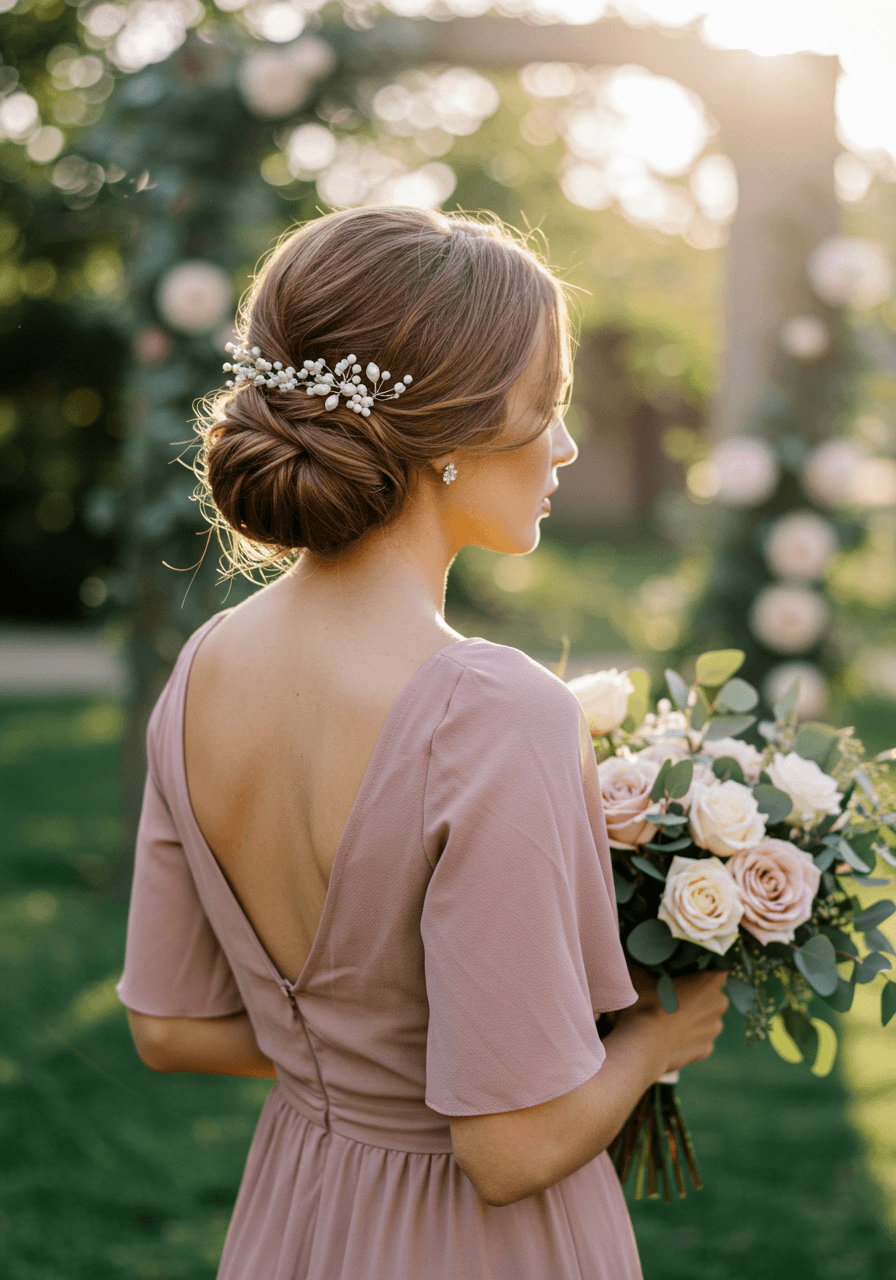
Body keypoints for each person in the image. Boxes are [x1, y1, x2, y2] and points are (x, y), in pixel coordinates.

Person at [116, 206, 728, 1279]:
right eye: (546, 405)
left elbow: (167, 1029)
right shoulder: (496, 710)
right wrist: (653, 1043)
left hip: (295, 1218)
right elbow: (509, 1145)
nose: (565, 444)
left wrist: (357, 1068)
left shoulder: (204, 666)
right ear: (445, 434)